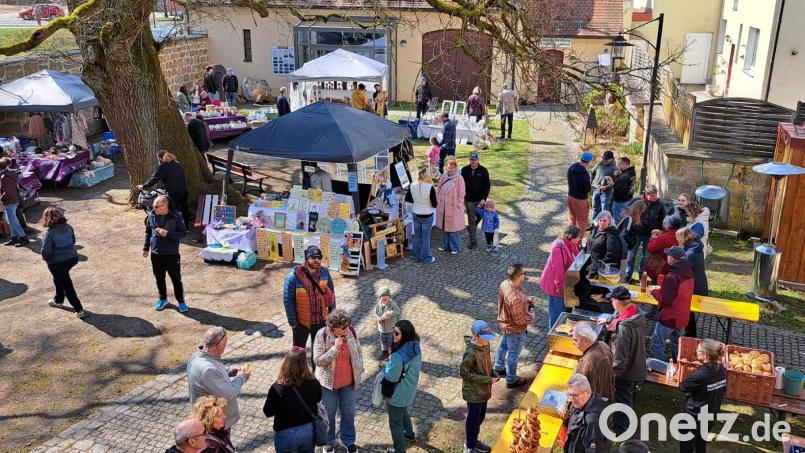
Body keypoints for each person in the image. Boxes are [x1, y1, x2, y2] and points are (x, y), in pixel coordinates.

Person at [313, 309, 363, 453]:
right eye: (343, 327)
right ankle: (328, 442)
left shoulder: (351, 332)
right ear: (333, 328)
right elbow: (318, 361)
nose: (347, 328)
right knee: (328, 414)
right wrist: (335, 349)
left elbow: (358, 351)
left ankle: (349, 441)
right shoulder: (321, 335)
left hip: (349, 383)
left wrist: (360, 368)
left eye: (348, 325)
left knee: (349, 413)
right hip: (328, 385)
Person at [188, 326, 251, 435]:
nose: (226, 345)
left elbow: (216, 369)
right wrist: (242, 377)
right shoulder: (208, 370)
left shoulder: (197, 356)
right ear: (219, 346)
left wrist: (231, 371)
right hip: (215, 421)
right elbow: (228, 393)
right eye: (226, 343)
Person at [602, 287, 646, 436]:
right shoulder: (636, 313)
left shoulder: (622, 329)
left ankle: (621, 430)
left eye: (612, 300)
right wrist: (609, 320)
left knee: (622, 399)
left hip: (626, 372)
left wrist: (612, 376)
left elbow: (620, 358)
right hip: (637, 363)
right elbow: (620, 319)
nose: (611, 302)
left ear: (618, 302)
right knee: (628, 395)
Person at [263, 347, 323, 453]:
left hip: (286, 434)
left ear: (286, 364)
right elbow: (318, 398)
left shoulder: (277, 388)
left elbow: (268, 412)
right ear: (304, 364)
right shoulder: (314, 382)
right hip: (308, 432)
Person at [284, 245, 335, 355]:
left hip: (320, 321)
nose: (316, 260)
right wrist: (293, 323)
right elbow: (288, 300)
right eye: (313, 257)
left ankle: (315, 367)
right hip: (301, 322)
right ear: (306, 258)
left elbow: (331, 294)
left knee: (318, 352)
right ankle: (299, 367)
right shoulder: (294, 276)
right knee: (298, 353)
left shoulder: (325, 273)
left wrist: (332, 315)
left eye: (319, 257)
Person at [678, 339, 727, 453]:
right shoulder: (722, 370)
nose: (696, 351)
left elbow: (682, 387)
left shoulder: (700, 375)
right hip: (711, 415)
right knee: (701, 445)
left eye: (698, 350)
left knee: (686, 447)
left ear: (705, 355)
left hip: (693, 417)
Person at [143, 195, 187, 312]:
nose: (154, 208)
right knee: (159, 278)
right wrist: (146, 247)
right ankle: (163, 298)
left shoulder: (176, 216)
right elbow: (148, 232)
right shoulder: (151, 215)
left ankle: (181, 300)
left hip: (171, 254)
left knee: (176, 279)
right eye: (153, 206)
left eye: (157, 206)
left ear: (165, 206)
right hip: (156, 254)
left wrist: (168, 234)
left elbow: (183, 233)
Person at [460, 320, 499, 453]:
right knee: (473, 421)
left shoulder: (485, 345)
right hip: (474, 393)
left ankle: (474, 440)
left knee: (480, 418)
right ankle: (469, 446)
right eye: (484, 338)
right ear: (475, 336)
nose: (487, 340)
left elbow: (487, 363)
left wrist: (493, 373)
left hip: (483, 391)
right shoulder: (470, 354)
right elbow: (464, 373)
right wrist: (488, 380)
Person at [384, 320, 422, 453]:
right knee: (403, 411)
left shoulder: (398, 355)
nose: (393, 335)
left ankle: (399, 450)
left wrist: (386, 366)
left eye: (397, 333)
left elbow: (391, 377)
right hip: (409, 389)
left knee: (395, 423)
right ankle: (409, 434)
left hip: (398, 393)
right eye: (393, 332)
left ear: (405, 335)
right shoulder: (415, 345)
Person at [649, 246, 694, 360]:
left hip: (670, 317)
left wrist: (654, 292)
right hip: (683, 316)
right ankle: (678, 364)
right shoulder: (689, 273)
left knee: (657, 343)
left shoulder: (672, 276)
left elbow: (666, 300)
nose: (667, 257)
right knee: (678, 345)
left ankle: (659, 367)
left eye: (668, 255)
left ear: (673, 258)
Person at [40, 208, 85, 318]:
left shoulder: (49, 233)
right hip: (72, 259)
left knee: (67, 285)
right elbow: (73, 241)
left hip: (57, 263)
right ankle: (58, 300)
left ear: (46, 219)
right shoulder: (68, 227)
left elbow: (46, 252)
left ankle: (79, 309)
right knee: (59, 278)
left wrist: (47, 259)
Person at [494, 263, 534, 388]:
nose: (525, 275)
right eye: (524, 273)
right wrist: (531, 315)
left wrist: (525, 300)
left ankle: (498, 367)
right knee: (513, 354)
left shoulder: (504, 284)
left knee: (504, 345)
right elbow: (520, 320)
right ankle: (511, 379)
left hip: (505, 324)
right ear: (518, 276)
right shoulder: (515, 298)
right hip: (515, 330)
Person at [540, 225, 582, 329]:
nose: (579, 238)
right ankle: (553, 332)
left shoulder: (572, 243)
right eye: (577, 237)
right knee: (556, 314)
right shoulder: (558, 248)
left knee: (565, 310)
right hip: (556, 286)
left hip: (567, 282)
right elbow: (558, 270)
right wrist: (560, 287)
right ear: (570, 237)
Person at [138, 151, 191, 229]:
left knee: (173, 210)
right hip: (183, 190)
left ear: (160, 158)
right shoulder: (177, 163)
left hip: (173, 192)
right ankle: (186, 226)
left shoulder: (163, 167)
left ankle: (175, 227)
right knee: (184, 207)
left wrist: (144, 185)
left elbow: (154, 178)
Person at [625, 185, 666, 283]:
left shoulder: (659, 204)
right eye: (652, 195)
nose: (655, 197)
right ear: (646, 194)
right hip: (636, 233)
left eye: (656, 195)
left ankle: (642, 276)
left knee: (646, 257)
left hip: (650, 235)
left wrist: (657, 230)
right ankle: (627, 275)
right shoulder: (636, 201)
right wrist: (630, 228)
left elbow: (661, 218)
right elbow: (627, 215)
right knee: (631, 255)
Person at [564, 374, 610, 453]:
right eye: (569, 395)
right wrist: (566, 407)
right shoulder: (587, 401)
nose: (571, 399)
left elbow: (594, 450)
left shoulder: (593, 421)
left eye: (574, 395)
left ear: (588, 392)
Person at [678, 226, 708, 338]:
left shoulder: (690, 254)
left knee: (687, 311)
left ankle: (689, 336)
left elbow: (681, 270)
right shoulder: (696, 247)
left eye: (678, 238)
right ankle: (689, 334)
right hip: (699, 284)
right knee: (688, 312)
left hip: (694, 288)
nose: (677, 240)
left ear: (683, 238)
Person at [572, 321, 614, 401]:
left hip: (596, 403)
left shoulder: (588, 362)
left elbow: (585, 393)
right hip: (607, 395)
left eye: (575, 340)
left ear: (586, 340)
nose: (573, 343)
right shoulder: (603, 345)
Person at [405, 168, 437, 264]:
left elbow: (408, 199)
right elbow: (434, 204)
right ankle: (427, 258)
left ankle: (416, 257)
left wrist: (417, 201)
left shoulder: (412, 185)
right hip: (427, 215)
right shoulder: (430, 187)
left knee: (417, 236)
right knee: (426, 238)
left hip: (416, 213)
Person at [436, 156, 466, 254]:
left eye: (452, 167)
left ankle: (454, 247)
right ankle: (445, 245)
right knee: (444, 227)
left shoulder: (459, 179)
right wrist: (437, 199)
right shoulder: (444, 176)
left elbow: (462, 193)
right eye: (449, 167)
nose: (450, 169)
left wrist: (458, 204)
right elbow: (439, 188)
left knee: (453, 229)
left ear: (456, 167)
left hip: (453, 207)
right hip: (443, 205)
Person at [461, 152, 491, 249]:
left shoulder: (483, 170)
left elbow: (487, 185)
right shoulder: (464, 170)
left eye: (475, 160)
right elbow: (461, 184)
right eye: (471, 159)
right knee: (471, 220)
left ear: (478, 160)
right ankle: (473, 241)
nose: (473, 161)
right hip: (469, 200)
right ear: (469, 160)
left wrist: (483, 199)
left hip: (480, 200)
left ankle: (471, 228)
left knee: (479, 217)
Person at [645, 215, 685, 282]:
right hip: (677, 268)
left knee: (658, 284)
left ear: (669, 226)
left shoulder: (663, 237)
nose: (664, 225)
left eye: (666, 223)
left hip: (661, 268)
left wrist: (653, 239)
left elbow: (650, 249)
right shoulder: (682, 236)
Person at [1, 158, 29, 246]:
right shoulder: (12, 173)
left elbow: (7, 192)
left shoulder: (4, 177)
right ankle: (14, 238)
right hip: (14, 199)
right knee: (10, 220)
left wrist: (1, 199)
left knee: (13, 221)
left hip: (10, 201)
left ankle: (23, 238)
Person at [586, 210, 622, 280]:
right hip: (590, 262)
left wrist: (600, 265)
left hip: (599, 267)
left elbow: (612, 253)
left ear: (609, 221)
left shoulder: (612, 234)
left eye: (605, 221)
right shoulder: (595, 229)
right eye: (600, 220)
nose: (602, 223)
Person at [567, 152, 593, 232]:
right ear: (589, 162)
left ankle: (570, 237)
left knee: (572, 219)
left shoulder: (572, 167)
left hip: (570, 196)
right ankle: (578, 240)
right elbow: (587, 189)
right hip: (580, 199)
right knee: (581, 222)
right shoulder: (584, 175)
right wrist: (590, 187)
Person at [374, 286, 401, 360]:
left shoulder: (392, 304)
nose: (384, 297)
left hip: (390, 329)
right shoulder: (378, 305)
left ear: (389, 297)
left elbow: (398, 311)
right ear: (380, 297)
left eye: (386, 295)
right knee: (383, 342)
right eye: (382, 296)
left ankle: (391, 354)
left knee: (390, 343)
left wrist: (388, 313)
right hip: (382, 329)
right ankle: (384, 352)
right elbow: (375, 313)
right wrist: (378, 318)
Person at [590, 151, 617, 219]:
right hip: (596, 189)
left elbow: (615, 182)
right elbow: (592, 173)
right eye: (603, 158)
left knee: (604, 210)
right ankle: (594, 223)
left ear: (612, 159)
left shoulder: (615, 168)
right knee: (595, 207)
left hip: (606, 192)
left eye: (606, 159)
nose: (604, 160)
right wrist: (589, 184)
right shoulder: (599, 163)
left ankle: (605, 224)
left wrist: (607, 186)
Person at [610, 157, 636, 224]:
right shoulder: (632, 172)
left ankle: (619, 231)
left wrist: (613, 181)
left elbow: (619, 191)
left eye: (619, 164)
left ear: (625, 165)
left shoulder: (624, 176)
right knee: (625, 220)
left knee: (619, 222)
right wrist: (618, 176)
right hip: (628, 199)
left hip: (620, 202)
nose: (617, 166)